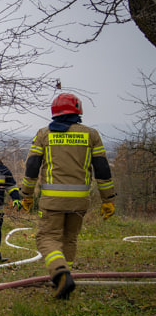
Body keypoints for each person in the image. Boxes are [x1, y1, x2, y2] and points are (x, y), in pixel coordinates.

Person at [20, 93, 115, 299]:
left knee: (47, 237)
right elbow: (102, 169)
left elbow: (32, 167)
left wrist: (26, 194)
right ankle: (65, 279)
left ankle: (60, 273)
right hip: (80, 200)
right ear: (78, 110)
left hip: (52, 200)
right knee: (69, 238)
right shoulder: (91, 135)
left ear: (54, 111)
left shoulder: (44, 134)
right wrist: (108, 199)